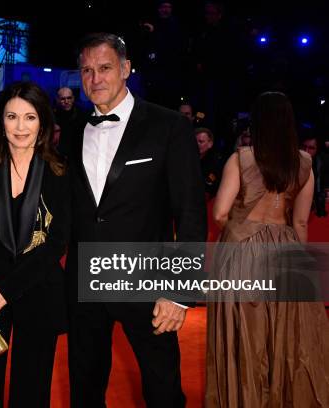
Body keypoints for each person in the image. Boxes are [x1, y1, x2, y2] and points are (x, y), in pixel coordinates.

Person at [62, 33, 206, 407]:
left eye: (105, 68)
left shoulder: (169, 126)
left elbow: (190, 212)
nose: (95, 79)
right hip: (85, 283)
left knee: (162, 388)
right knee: (85, 385)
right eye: (87, 70)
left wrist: (178, 291)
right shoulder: (74, 128)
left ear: (126, 69)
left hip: (147, 282)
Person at [207, 91, 329, 407]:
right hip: (287, 254)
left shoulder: (241, 159)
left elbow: (219, 212)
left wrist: (239, 235)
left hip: (243, 255)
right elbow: (301, 223)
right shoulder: (305, 163)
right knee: (284, 339)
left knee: (245, 339)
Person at [0, 82, 70, 407]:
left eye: (30, 117)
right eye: (12, 117)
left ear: (43, 123)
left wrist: (3, 293)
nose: (20, 127)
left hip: (38, 293)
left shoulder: (60, 171)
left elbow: (56, 243)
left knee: (32, 391)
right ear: (1, 121)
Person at [195, 127, 224, 197]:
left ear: (210, 144)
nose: (196, 144)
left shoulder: (215, 164)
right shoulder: (187, 158)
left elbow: (210, 189)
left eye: (201, 142)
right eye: (194, 142)